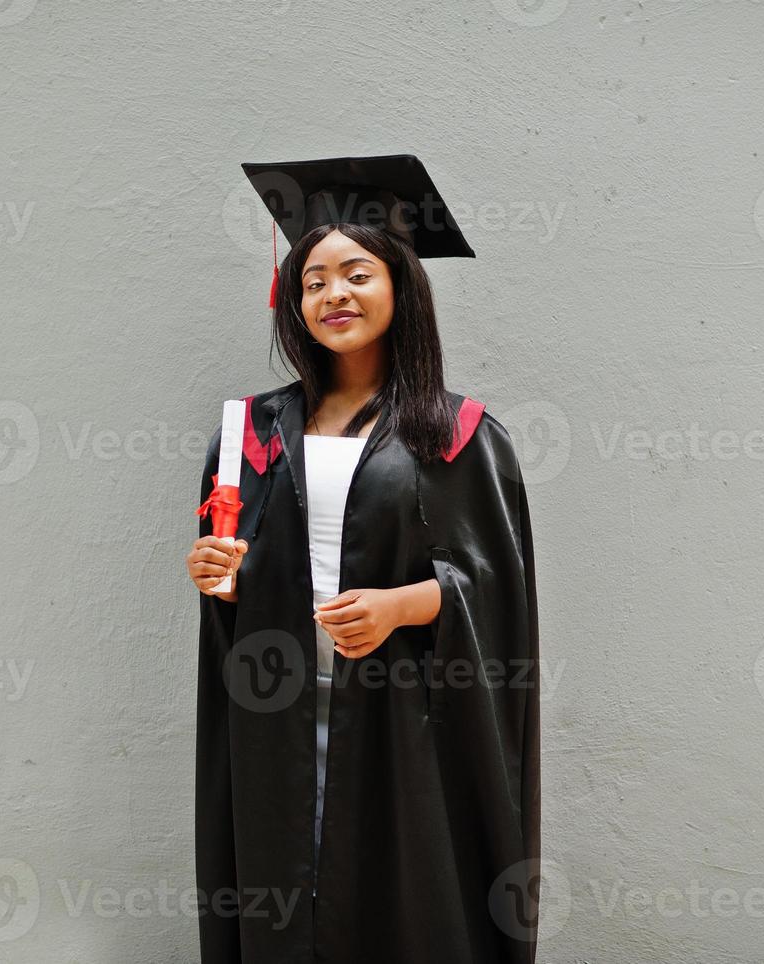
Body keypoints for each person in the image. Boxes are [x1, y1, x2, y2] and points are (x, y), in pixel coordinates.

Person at [185, 154, 541, 964]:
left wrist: (403, 605)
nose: (333, 295)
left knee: (396, 884)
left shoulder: (456, 434)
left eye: (356, 273)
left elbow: (496, 588)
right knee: (282, 871)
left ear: (401, 287)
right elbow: (231, 573)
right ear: (292, 301)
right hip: (275, 704)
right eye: (313, 281)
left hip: (399, 712)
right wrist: (217, 577)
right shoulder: (249, 433)